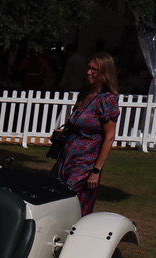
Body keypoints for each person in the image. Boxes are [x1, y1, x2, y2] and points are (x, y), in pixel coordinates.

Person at [54, 51, 119, 216]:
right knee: (54, 196)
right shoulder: (85, 94)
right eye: (88, 68)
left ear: (104, 72)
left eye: (94, 69)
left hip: (85, 162)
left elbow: (109, 137)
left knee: (66, 200)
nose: (88, 72)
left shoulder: (107, 100)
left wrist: (96, 171)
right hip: (67, 158)